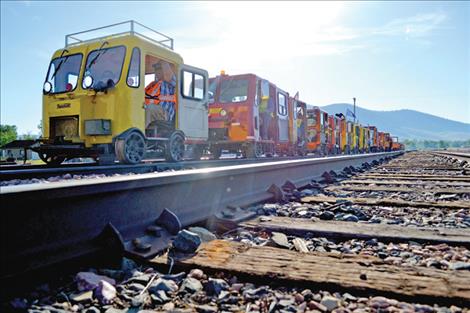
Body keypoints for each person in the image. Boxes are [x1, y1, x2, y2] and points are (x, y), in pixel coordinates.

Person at [145, 61, 176, 129]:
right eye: (155, 69)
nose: (156, 71)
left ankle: (141, 131)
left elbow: (168, 74)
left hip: (165, 113)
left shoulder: (170, 82)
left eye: (159, 69)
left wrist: (163, 58)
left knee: (150, 108)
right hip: (153, 109)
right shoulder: (153, 84)